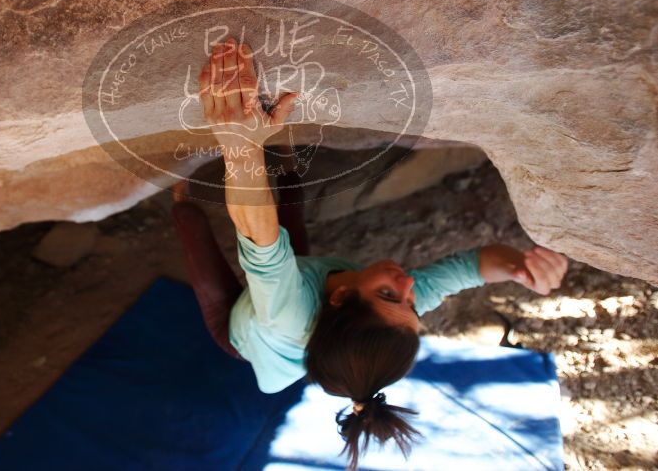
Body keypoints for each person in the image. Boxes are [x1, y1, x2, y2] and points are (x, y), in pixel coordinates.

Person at [172, 38, 569, 471]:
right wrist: (520, 269)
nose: (408, 283)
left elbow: (258, 235)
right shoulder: (391, 316)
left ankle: (177, 189)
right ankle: (282, 156)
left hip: (241, 333)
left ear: (340, 299)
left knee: (207, 239)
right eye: (411, 301)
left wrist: (239, 144)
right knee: (290, 224)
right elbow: (473, 266)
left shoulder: (288, 312)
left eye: (388, 294)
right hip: (304, 297)